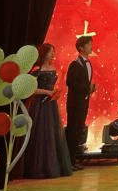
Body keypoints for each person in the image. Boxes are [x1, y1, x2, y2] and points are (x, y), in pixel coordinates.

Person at [13, 44, 73, 179]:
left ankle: (50, 166)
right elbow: (31, 89)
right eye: (51, 52)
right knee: (39, 133)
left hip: (50, 105)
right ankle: (36, 167)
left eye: (53, 52)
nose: (53, 54)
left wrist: (54, 93)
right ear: (44, 53)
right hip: (39, 105)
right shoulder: (37, 70)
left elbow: (52, 87)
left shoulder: (53, 68)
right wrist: (47, 92)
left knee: (51, 134)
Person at [65, 35, 95, 170]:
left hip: (83, 102)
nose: (91, 47)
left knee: (78, 132)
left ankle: (73, 160)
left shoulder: (88, 63)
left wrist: (90, 89)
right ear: (81, 48)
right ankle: (68, 162)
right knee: (72, 131)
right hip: (75, 103)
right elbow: (70, 83)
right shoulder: (75, 64)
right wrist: (87, 88)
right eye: (88, 44)